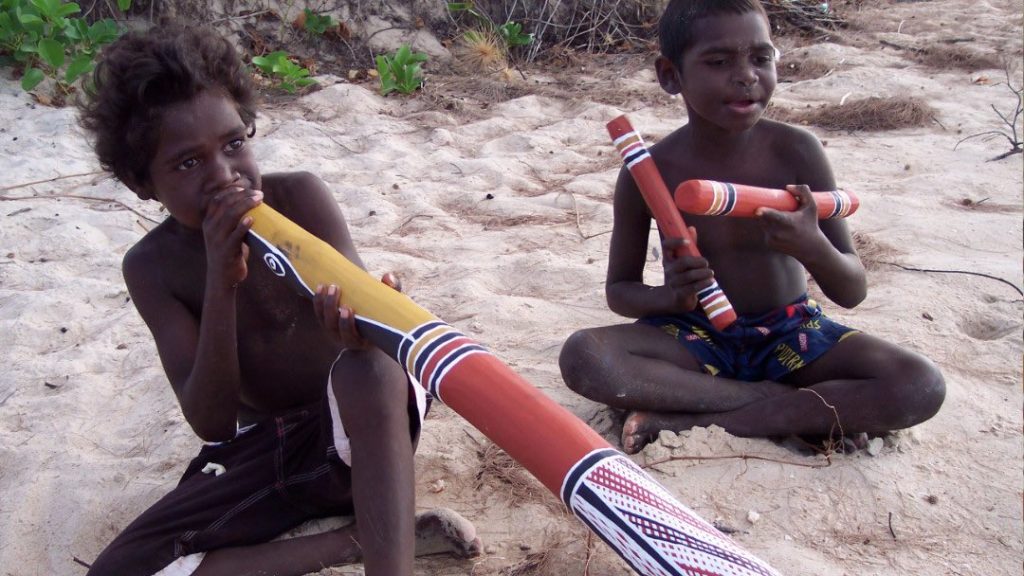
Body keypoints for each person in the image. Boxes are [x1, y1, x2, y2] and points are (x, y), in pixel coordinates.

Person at [77, 23, 480, 576]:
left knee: (372, 369)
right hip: (267, 455)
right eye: (188, 164)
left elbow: (367, 337)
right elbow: (213, 423)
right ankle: (361, 538)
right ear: (140, 183)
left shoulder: (300, 198)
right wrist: (222, 281)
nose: (224, 177)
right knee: (119, 569)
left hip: (357, 438)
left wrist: (363, 325)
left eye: (234, 144)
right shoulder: (150, 268)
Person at [559, 0, 945, 455]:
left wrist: (812, 246)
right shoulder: (649, 170)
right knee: (585, 356)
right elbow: (620, 290)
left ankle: (703, 420)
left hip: (791, 334)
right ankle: (778, 406)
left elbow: (852, 290)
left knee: (919, 384)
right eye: (719, 62)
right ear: (670, 76)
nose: (746, 75)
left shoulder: (797, 151)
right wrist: (672, 297)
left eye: (761, 58)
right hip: (693, 336)